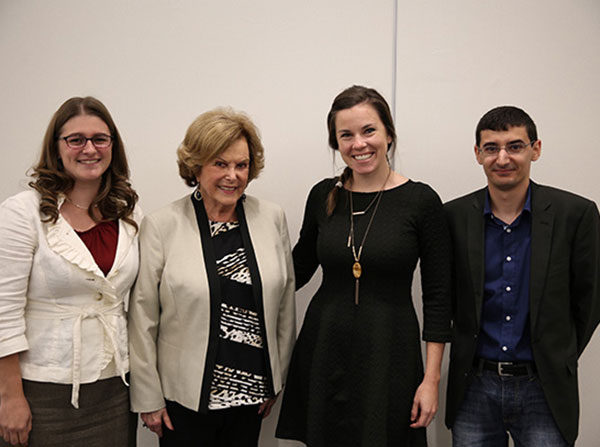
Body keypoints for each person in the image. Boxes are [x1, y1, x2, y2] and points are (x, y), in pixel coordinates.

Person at [275, 85, 452, 446]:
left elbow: (438, 296)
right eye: (346, 135)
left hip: (390, 353)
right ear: (335, 143)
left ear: (389, 133)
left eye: (369, 130)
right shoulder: (323, 195)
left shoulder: (421, 200)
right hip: (325, 347)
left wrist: (431, 380)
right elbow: (297, 268)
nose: (359, 144)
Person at [128, 107, 296, 446]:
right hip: (184, 401)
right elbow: (142, 317)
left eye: (241, 165)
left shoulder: (272, 218)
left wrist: (273, 379)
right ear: (196, 165)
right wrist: (148, 397)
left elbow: (284, 307)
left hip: (251, 398)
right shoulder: (162, 225)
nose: (232, 175)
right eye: (220, 163)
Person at [444, 105, 600, 447]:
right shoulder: (453, 217)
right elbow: (446, 298)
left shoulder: (576, 214)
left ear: (536, 149)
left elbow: (589, 300)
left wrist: (558, 354)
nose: (503, 158)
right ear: (477, 154)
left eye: (514, 146)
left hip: (543, 389)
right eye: (491, 148)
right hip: (474, 387)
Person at [0, 96, 140, 447]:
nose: (89, 149)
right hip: (41, 390)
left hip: (115, 386)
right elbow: (3, 311)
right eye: (76, 139)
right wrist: (10, 397)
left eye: (100, 139)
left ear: (113, 146)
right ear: (57, 148)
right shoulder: (22, 213)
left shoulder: (128, 215)